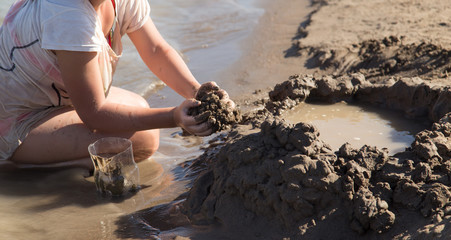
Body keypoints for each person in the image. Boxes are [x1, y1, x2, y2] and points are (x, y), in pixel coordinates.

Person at [0, 0, 232, 169]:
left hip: (56, 101)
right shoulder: (67, 15)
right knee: (145, 139)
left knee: (139, 106)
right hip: (18, 120)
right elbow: (95, 113)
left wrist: (197, 91)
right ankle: (25, 170)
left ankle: (60, 155)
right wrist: (174, 117)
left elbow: (156, 50)